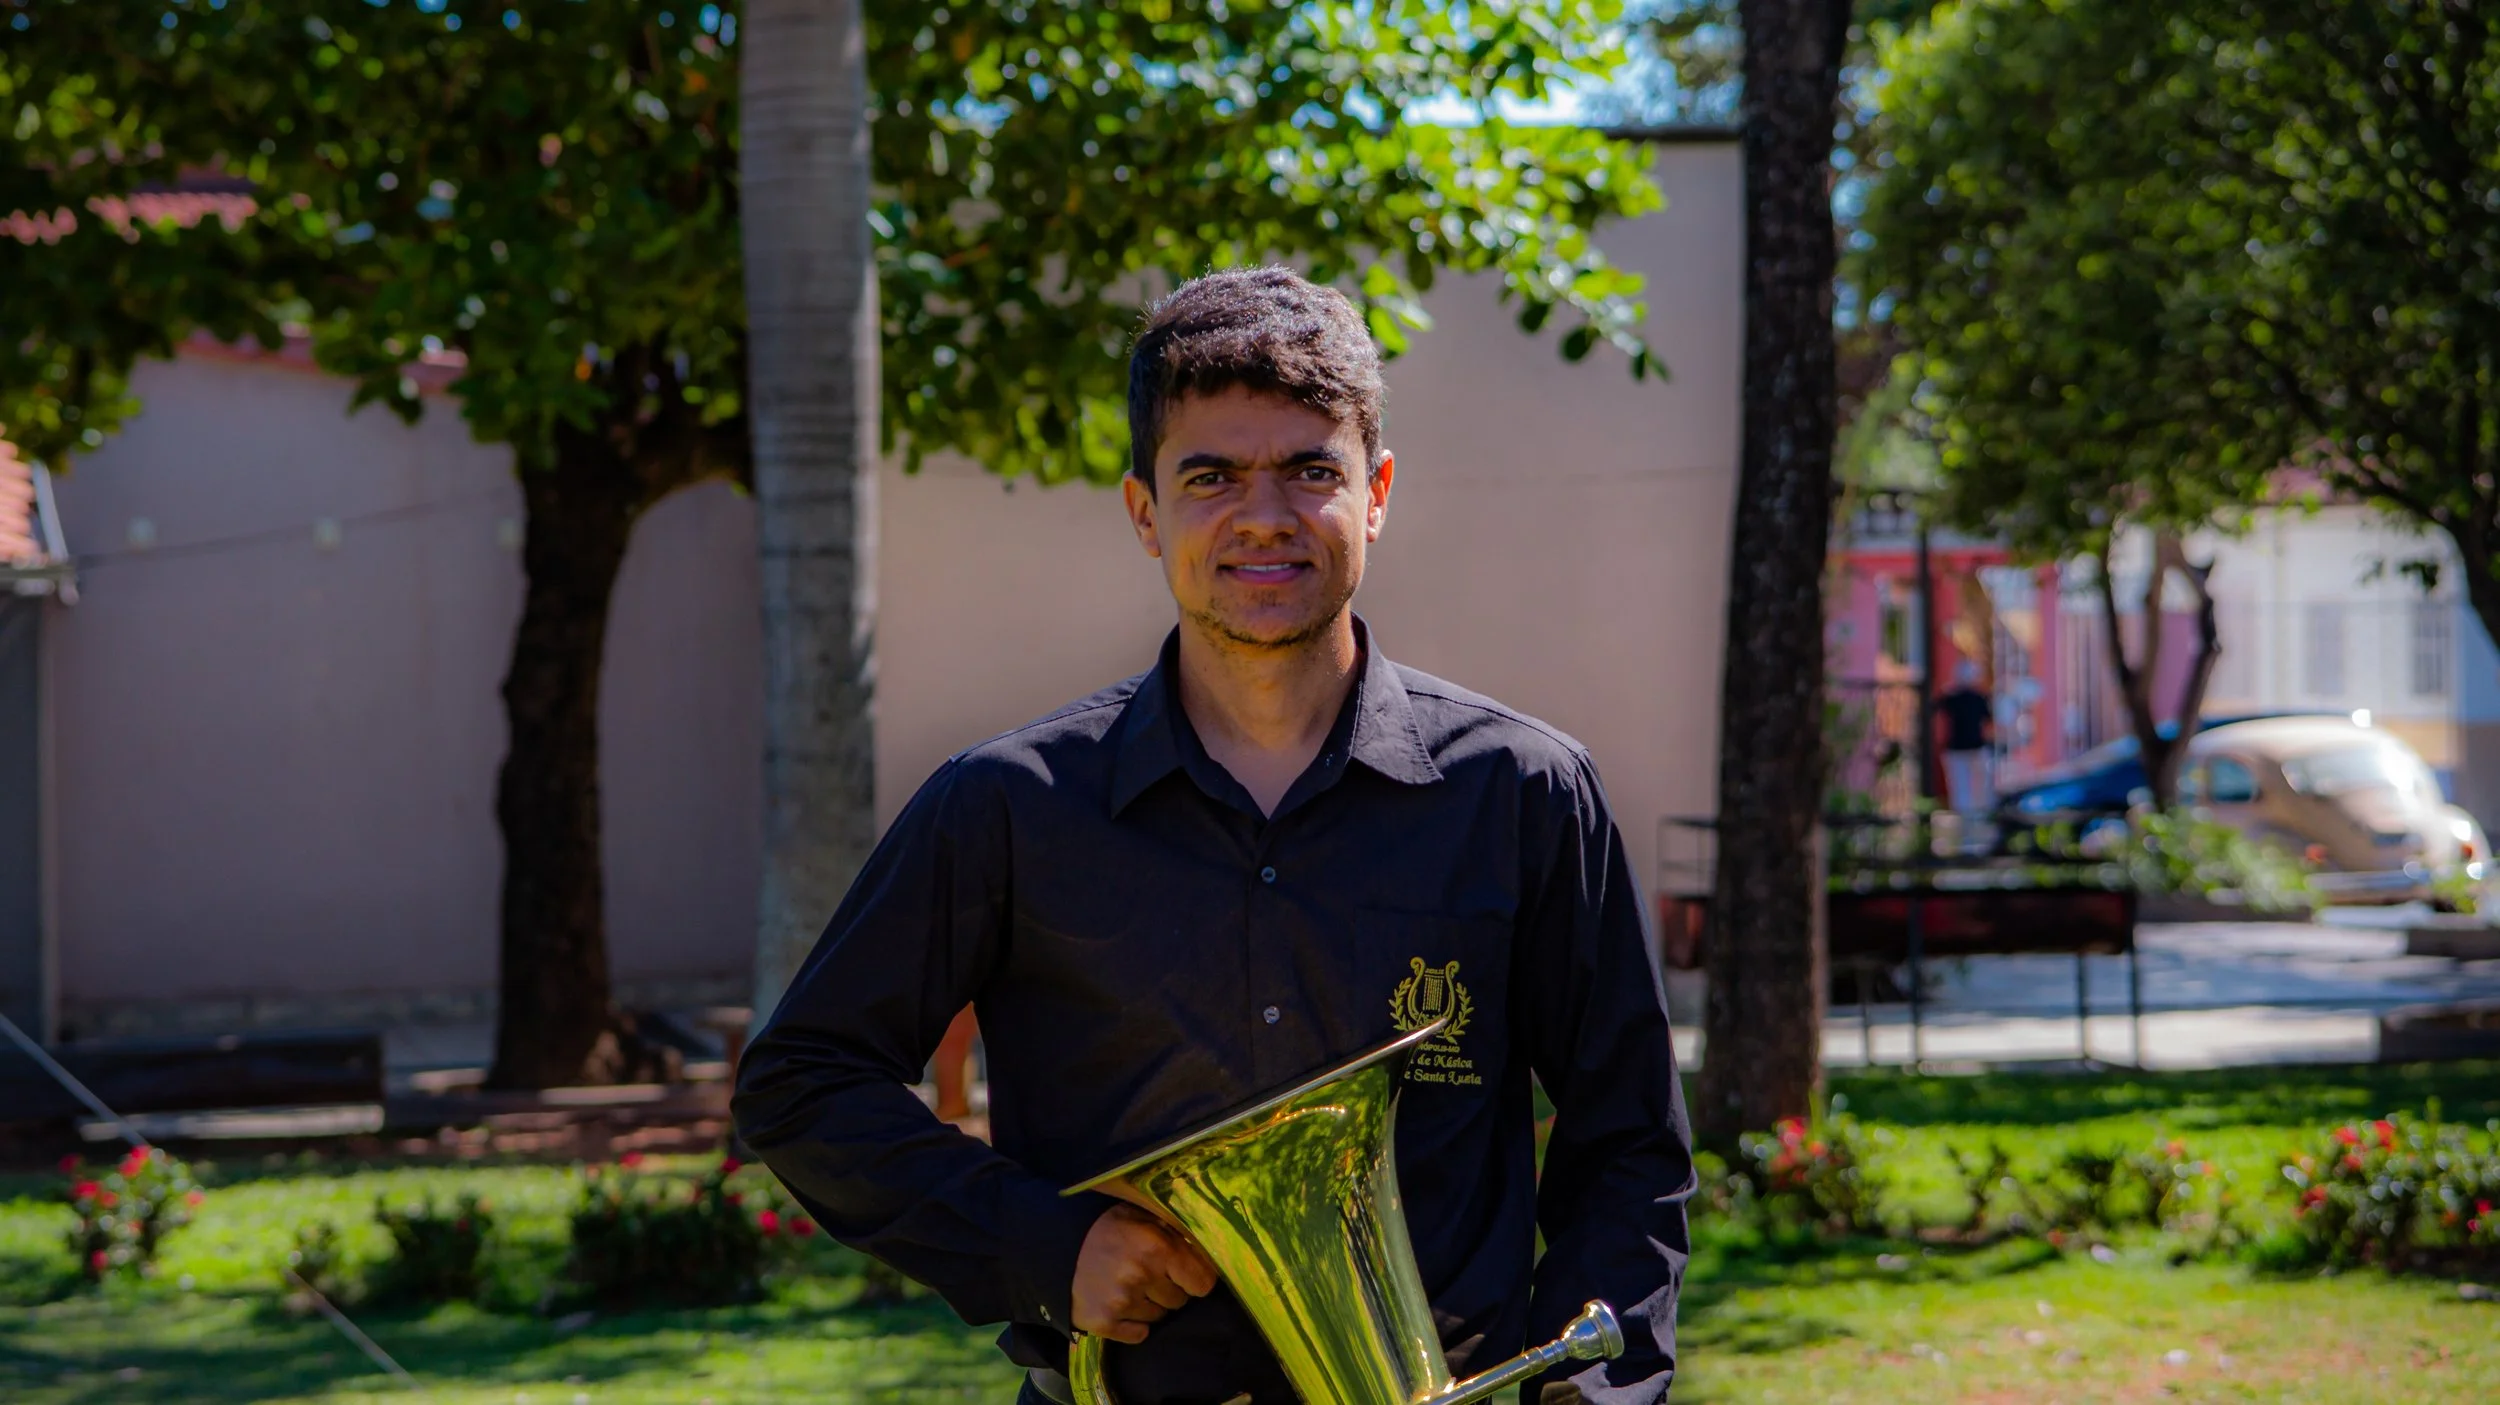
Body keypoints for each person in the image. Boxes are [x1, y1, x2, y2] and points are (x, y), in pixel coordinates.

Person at [733, 267, 1694, 1405]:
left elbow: (1628, 1144)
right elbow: (802, 1080)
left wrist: (1590, 1398)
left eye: (1309, 471)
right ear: (1145, 511)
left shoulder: (1525, 793)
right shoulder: (1007, 805)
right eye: (1211, 476)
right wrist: (1042, 1249)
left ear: (1375, 493)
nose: (1264, 517)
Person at [1935, 659, 1993, 823]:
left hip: (1962, 748)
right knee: (1975, 787)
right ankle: (1976, 817)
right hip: (1970, 748)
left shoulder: (1953, 698)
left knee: (1962, 788)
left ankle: (1966, 818)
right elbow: (1989, 723)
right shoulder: (1978, 697)